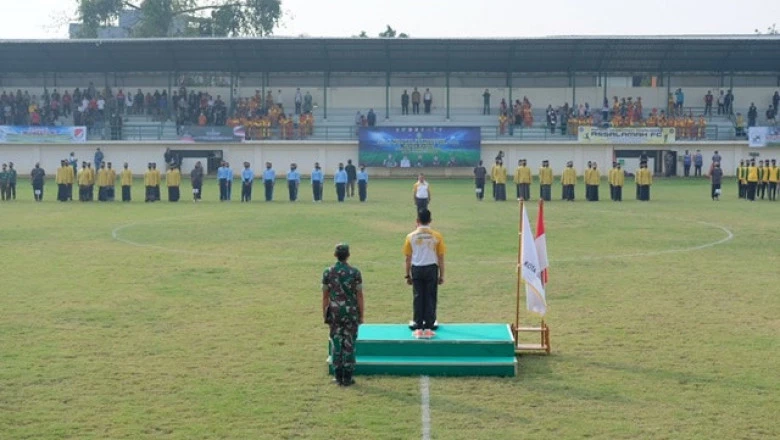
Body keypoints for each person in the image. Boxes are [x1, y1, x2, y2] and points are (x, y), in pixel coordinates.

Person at [322, 243, 364, 387]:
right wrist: (361, 315)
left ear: (335, 255)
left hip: (334, 311)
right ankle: (348, 376)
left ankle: (338, 375)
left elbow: (325, 296)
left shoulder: (328, 272)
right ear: (348, 255)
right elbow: (359, 296)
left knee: (337, 342)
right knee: (350, 343)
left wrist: (325, 314)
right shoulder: (355, 273)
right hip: (351, 312)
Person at [403, 209, 446, 338]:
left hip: (416, 268)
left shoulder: (411, 236)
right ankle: (429, 324)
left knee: (418, 296)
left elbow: (408, 258)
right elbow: (441, 257)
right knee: (431, 296)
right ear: (430, 221)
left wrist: (407, 274)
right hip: (431, 268)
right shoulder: (436, 236)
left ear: (417, 221)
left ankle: (418, 323)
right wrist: (442, 275)